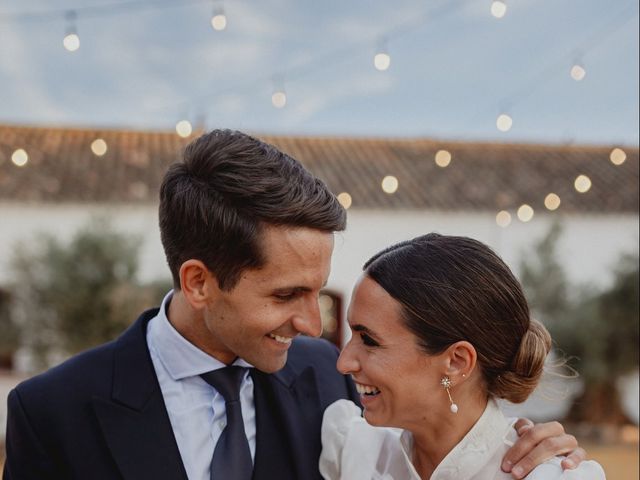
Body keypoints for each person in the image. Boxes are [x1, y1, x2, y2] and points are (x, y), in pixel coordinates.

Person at [4, 130, 584, 480]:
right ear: (200, 282)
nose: (313, 326)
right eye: (286, 295)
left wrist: (526, 448)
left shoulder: (326, 388)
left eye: (318, 292)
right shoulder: (53, 412)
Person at [320, 233, 605, 480]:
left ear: (456, 361)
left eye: (369, 340)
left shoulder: (549, 476)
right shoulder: (353, 450)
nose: (343, 362)